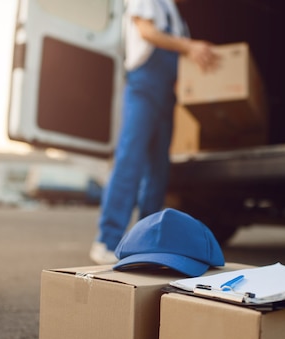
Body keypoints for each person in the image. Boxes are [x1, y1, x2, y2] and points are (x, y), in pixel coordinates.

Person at [90, 0, 218, 264]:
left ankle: (146, 243)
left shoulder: (177, 16)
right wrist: (190, 46)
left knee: (158, 170)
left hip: (166, 94)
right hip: (144, 88)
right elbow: (147, 32)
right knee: (130, 161)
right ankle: (107, 240)